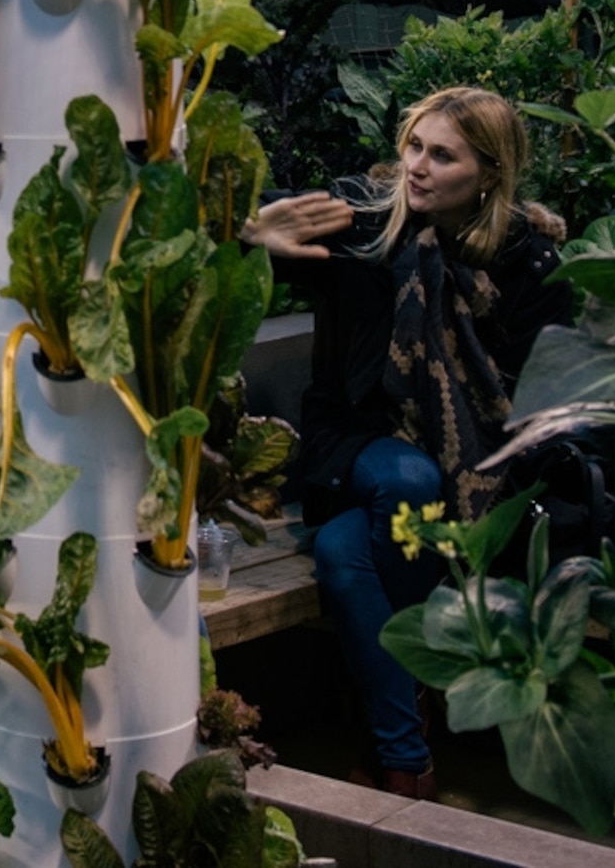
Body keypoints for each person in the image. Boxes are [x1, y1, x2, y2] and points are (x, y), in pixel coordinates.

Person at [241, 86, 574, 801]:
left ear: (489, 173)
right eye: (414, 146)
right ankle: (413, 718)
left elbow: (538, 395)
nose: (418, 167)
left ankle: (402, 757)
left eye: (442, 155)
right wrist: (251, 232)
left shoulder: (526, 263)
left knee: (342, 553)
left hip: (484, 468)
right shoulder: (365, 226)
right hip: (355, 447)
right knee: (412, 479)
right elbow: (271, 216)